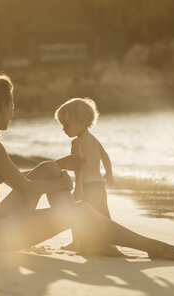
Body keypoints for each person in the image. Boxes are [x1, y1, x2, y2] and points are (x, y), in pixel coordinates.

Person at [0, 74, 174, 260]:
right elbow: (26, 188)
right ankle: (153, 247)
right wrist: (63, 182)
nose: (13, 111)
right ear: (0, 107)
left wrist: (60, 166)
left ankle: (89, 240)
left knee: (47, 168)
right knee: (81, 210)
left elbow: (16, 179)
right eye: (11, 105)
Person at [54, 98, 120, 254]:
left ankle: (77, 242)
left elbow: (79, 166)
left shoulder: (77, 143)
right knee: (103, 214)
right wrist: (109, 173)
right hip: (99, 185)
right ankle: (110, 242)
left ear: (82, 122)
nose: (63, 129)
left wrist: (78, 186)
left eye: (67, 124)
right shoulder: (94, 139)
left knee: (77, 214)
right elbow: (105, 157)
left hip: (86, 186)